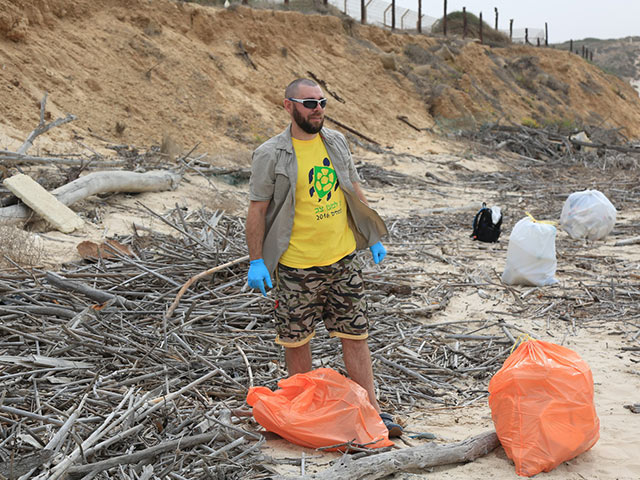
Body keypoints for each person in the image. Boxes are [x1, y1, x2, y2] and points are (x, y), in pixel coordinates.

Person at [245, 78, 402, 437]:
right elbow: (257, 210)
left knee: (356, 335)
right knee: (297, 342)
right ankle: (305, 415)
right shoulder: (270, 154)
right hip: (297, 265)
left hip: (343, 259)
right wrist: (256, 260)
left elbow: (352, 185)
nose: (318, 110)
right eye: (309, 103)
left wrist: (372, 234)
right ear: (288, 106)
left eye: (323, 103)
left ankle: (372, 412)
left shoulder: (336, 142)